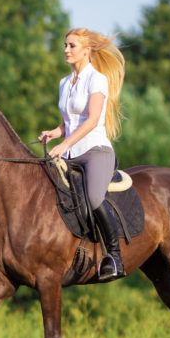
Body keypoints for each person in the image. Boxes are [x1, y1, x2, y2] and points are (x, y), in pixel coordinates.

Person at [38, 28, 126, 280]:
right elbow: (70, 122)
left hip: (95, 151)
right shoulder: (63, 83)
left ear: (86, 50)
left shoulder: (97, 79)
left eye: (72, 45)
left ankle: (114, 257)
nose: (66, 49)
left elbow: (91, 120)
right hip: (71, 152)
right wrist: (55, 133)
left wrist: (65, 144)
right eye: (65, 45)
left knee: (94, 197)